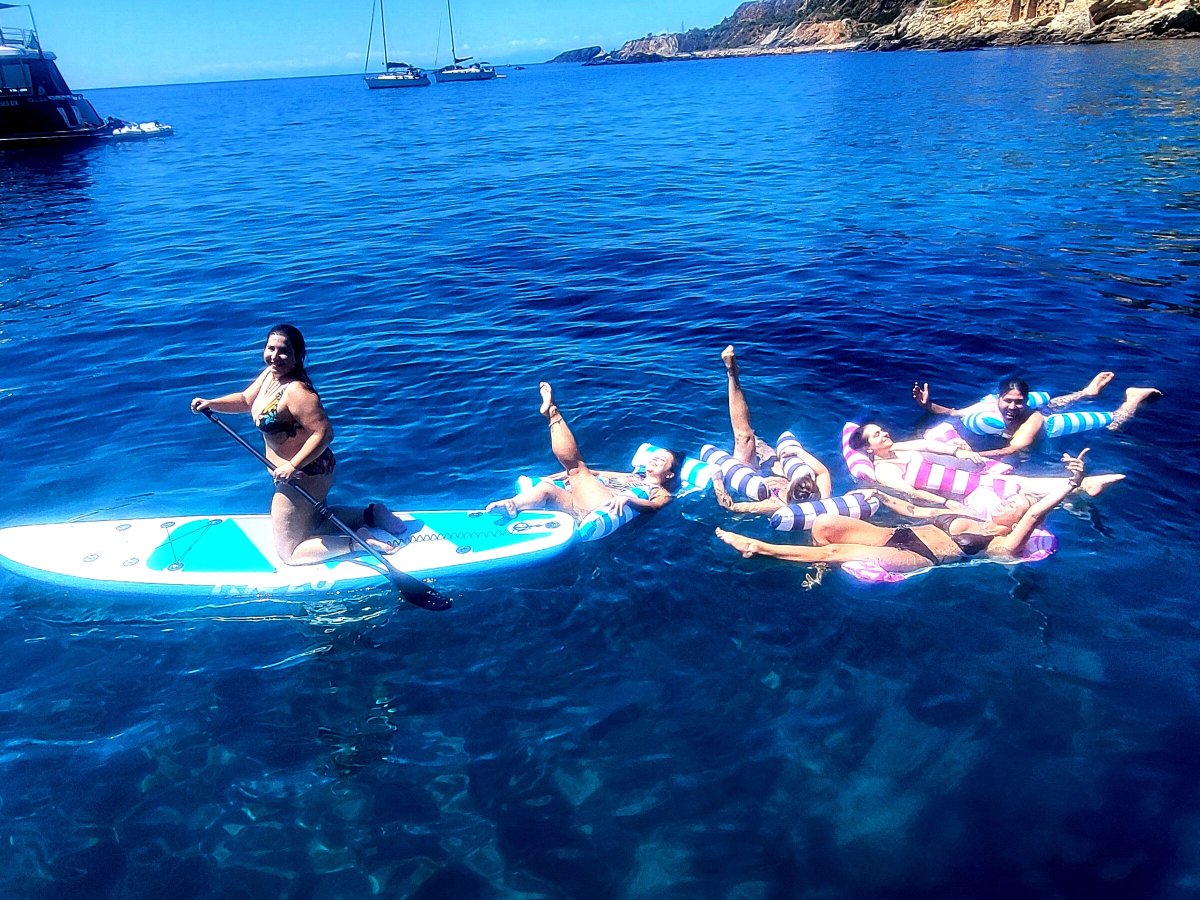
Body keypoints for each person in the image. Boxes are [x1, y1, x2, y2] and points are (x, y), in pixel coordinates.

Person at [190, 324, 407, 565]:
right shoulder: (271, 376)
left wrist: (292, 466)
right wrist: (211, 403)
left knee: (290, 553)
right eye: (270, 348)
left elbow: (324, 433)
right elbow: (244, 400)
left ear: (298, 355)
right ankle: (372, 515)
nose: (274, 356)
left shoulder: (297, 392)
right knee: (315, 521)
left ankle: (357, 542)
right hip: (296, 473)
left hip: (304, 473)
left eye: (283, 351)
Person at [716, 450, 1116, 573]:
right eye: (1013, 499)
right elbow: (912, 507)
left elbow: (1033, 516)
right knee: (825, 524)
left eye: (1017, 506)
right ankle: (816, 567)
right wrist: (880, 494)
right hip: (900, 534)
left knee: (837, 552)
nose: (1010, 503)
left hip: (919, 555)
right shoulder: (969, 511)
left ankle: (759, 549)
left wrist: (1069, 482)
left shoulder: (1004, 543)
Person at [486, 382, 680, 521]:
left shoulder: (660, 491)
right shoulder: (631, 476)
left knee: (577, 468)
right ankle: (511, 505)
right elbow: (597, 473)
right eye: (655, 456)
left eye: (662, 460)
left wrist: (629, 499)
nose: (655, 459)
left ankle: (552, 413)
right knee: (547, 488)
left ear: (670, 474)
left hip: (605, 507)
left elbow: (654, 506)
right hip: (581, 505)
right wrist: (555, 478)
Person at [913, 375, 1161, 458]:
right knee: (1052, 402)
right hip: (1023, 417)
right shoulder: (987, 407)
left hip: (1049, 427)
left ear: (1025, 401)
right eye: (1007, 401)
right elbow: (953, 413)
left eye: (1018, 402)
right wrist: (928, 406)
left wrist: (973, 455)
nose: (1011, 406)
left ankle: (1133, 398)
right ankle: (1088, 392)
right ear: (997, 398)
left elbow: (1015, 447)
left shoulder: (1034, 419)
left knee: (1114, 425)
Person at [711, 345, 832, 515]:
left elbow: (731, 507)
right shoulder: (821, 492)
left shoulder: (777, 504)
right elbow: (823, 472)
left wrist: (717, 480)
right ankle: (734, 373)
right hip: (776, 464)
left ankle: (732, 373)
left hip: (753, 474)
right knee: (753, 439)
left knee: (743, 437)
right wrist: (799, 452)